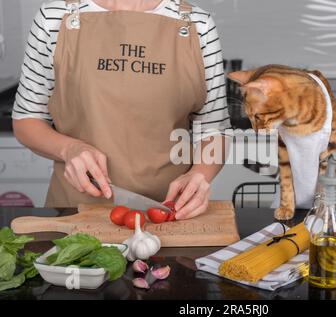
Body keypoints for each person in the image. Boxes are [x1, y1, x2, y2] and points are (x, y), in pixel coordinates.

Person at [12, 0, 231, 220]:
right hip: (75, 216)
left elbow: (213, 129)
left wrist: (200, 174)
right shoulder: (54, 18)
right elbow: (26, 120)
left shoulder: (198, 24)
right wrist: (69, 149)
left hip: (169, 214)